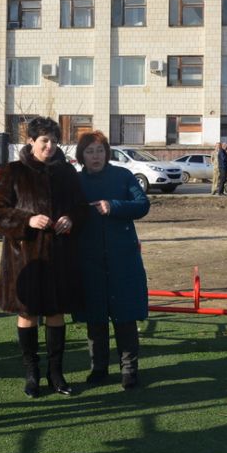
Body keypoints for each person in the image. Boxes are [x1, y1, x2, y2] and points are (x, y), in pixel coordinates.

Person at [0, 117, 87, 397]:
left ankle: (56, 374)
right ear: (31, 141)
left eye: (54, 141)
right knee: (28, 313)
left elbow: (82, 208)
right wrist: (27, 221)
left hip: (60, 256)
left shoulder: (67, 173)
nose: (50, 146)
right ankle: (32, 375)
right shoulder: (14, 171)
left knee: (56, 313)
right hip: (25, 259)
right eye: (44, 141)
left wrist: (72, 219)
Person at [72, 131, 149, 390]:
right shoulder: (75, 181)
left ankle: (129, 370)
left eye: (100, 150)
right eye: (90, 151)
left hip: (122, 257)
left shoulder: (123, 176)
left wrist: (114, 206)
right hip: (88, 257)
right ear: (81, 155)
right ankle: (99, 368)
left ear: (107, 152)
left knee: (124, 316)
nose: (96, 156)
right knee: (95, 317)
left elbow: (142, 204)